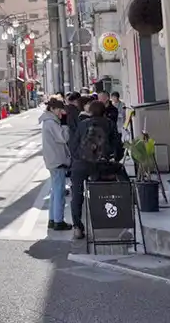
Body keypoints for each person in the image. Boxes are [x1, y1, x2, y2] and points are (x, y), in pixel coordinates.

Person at [68, 99, 125, 239]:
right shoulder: (109, 124)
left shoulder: (82, 124)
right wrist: (115, 159)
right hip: (102, 164)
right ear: (104, 112)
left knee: (77, 194)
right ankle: (119, 213)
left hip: (81, 165)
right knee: (120, 177)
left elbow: (73, 145)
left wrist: (79, 159)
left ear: (90, 112)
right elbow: (117, 147)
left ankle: (77, 227)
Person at [40, 96, 72, 231]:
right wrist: (65, 124)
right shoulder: (51, 123)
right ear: (52, 109)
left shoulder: (48, 121)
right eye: (59, 110)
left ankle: (52, 219)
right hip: (57, 160)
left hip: (52, 159)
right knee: (59, 192)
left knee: (55, 191)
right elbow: (63, 138)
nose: (61, 112)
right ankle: (58, 221)